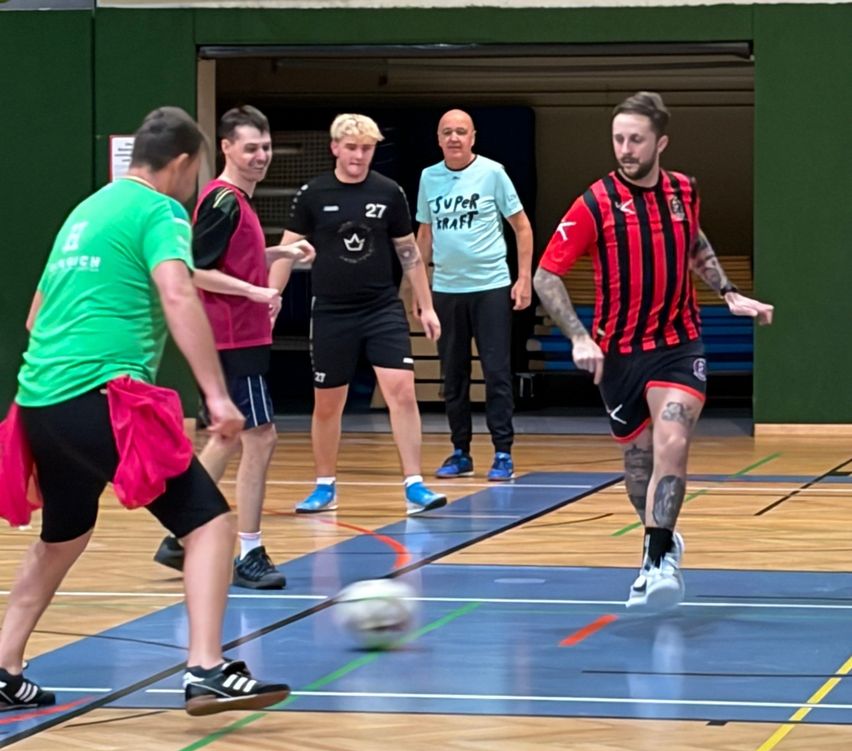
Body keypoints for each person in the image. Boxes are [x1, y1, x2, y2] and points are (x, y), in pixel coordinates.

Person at [0, 107, 289, 714]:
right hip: (103, 395)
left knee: (63, 535)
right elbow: (179, 291)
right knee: (207, 524)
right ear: (184, 164)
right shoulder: (160, 211)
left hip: (39, 402)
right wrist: (214, 395)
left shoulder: (88, 210)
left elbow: (34, 316)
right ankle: (207, 667)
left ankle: (3, 668)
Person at [534, 91, 774, 612]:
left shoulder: (684, 191)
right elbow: (545, 275)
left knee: (673, 438)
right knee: (638, 466)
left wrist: (729, 292)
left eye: (636, 139)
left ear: (659, 142)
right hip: (619, 353)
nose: (625, 148)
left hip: (678, 345)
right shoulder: (594, 202)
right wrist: (578, 335)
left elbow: (694, 242)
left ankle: (655, 559)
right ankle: (659, 537)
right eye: (618, 138)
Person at [153, 106, 315, 589]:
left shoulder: (237, 203)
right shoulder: (222, 201)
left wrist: (278, 254)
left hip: (238, 336)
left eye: (265, 147)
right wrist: (256, 292)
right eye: (251, 148)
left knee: (226, 436)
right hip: (231, 337)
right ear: (225, 148)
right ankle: (249, 551)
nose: (261, 156)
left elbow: (234, 263)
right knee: (259, 439)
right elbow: (190, 268)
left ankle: (182, 534)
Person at [271, 113, 447, 516]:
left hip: (381, 308)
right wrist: (272, 297)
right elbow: (286, 249)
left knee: (402, 390)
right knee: (329, 403)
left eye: (366, 148)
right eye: (352, 147)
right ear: (335, 148)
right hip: (332, 312)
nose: (359, 155)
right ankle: (324, 486)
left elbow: (409, 252)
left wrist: (426, 304)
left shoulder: (389, 192)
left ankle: (415, 484)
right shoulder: (313, 193)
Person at [415, 109, 533, 482]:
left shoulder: (493, 173)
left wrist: (524, 278)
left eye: (460, 132)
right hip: (447, 290)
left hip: (491, 287)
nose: (454, 138)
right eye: (447, 132)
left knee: (497, 372)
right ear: (438, 139)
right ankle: (460, 451)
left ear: (473, 137)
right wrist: (419, 291)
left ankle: (502, 452)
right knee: (454, 375)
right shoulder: (428, 178)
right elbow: (424, 235)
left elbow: (522, 226)